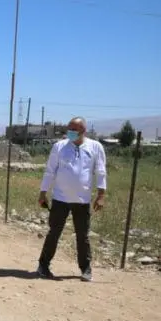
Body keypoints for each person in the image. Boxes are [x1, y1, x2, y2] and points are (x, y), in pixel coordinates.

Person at [37, 117, 107, 282]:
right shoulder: (59, 147)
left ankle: (86, 268)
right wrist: (42, 193)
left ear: (83, 132)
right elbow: (49, 171)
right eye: (69, 129)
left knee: (82, 235)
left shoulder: (95, 147)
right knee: (54, 232)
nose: (70, 132)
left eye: (73, 130)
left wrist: (101, 195)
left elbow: (101, 171)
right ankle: (43, 265)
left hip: (82, 200)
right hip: (60, 198)